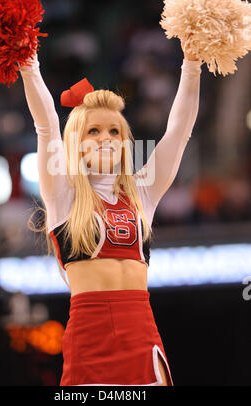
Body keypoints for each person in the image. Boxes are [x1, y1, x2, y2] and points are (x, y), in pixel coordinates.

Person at [19, 37, 201, 386]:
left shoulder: (141, 192)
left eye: (114, 131)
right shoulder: (63, 194)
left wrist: (191, 64)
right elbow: (46, 125)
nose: (106, 138)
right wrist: (29, 65)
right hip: (90, 337)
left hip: (141, 332)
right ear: (76, 143)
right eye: (94, 131)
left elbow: (179, 133)